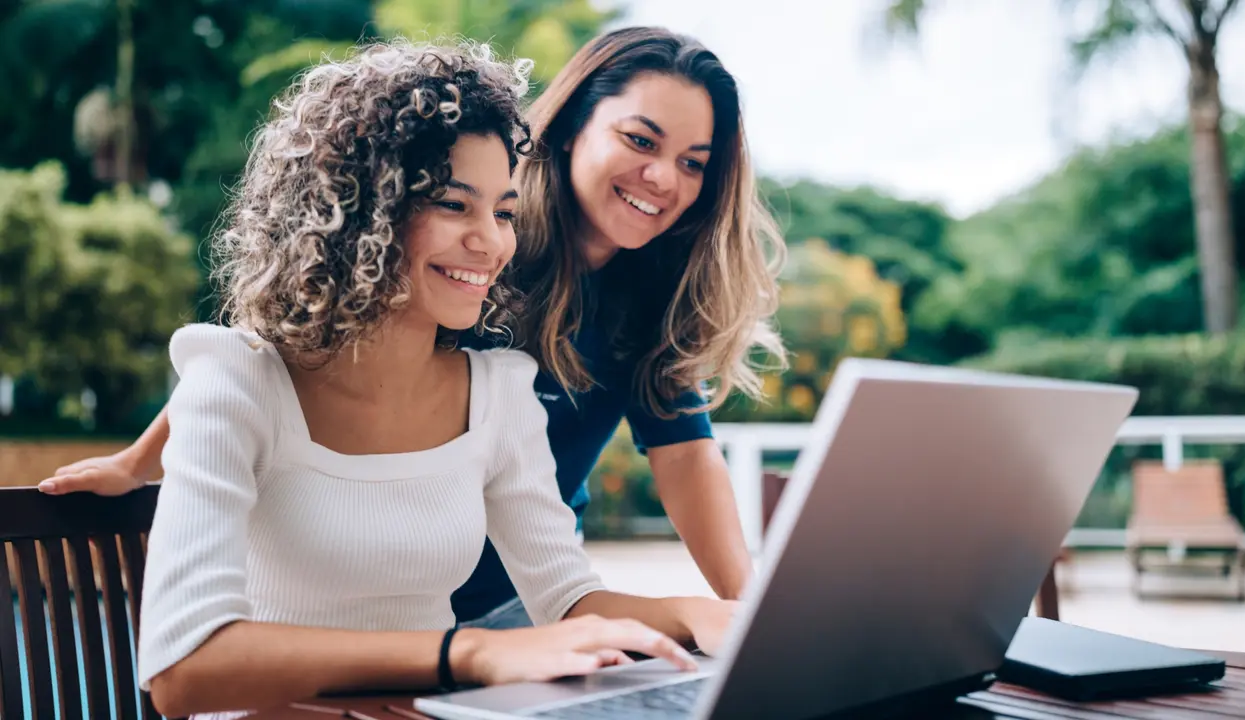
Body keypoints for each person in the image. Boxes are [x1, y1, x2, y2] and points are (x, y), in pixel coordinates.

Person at [41, 26, 787, 631]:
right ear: (568, 131)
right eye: (640, 140)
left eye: (694, 162)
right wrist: (142, 462)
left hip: (524, 593)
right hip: (379, 595)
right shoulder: (473, 249)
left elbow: (687, 460)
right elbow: (280, 349)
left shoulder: (653, 296)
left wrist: (747, 611)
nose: (664, 178)